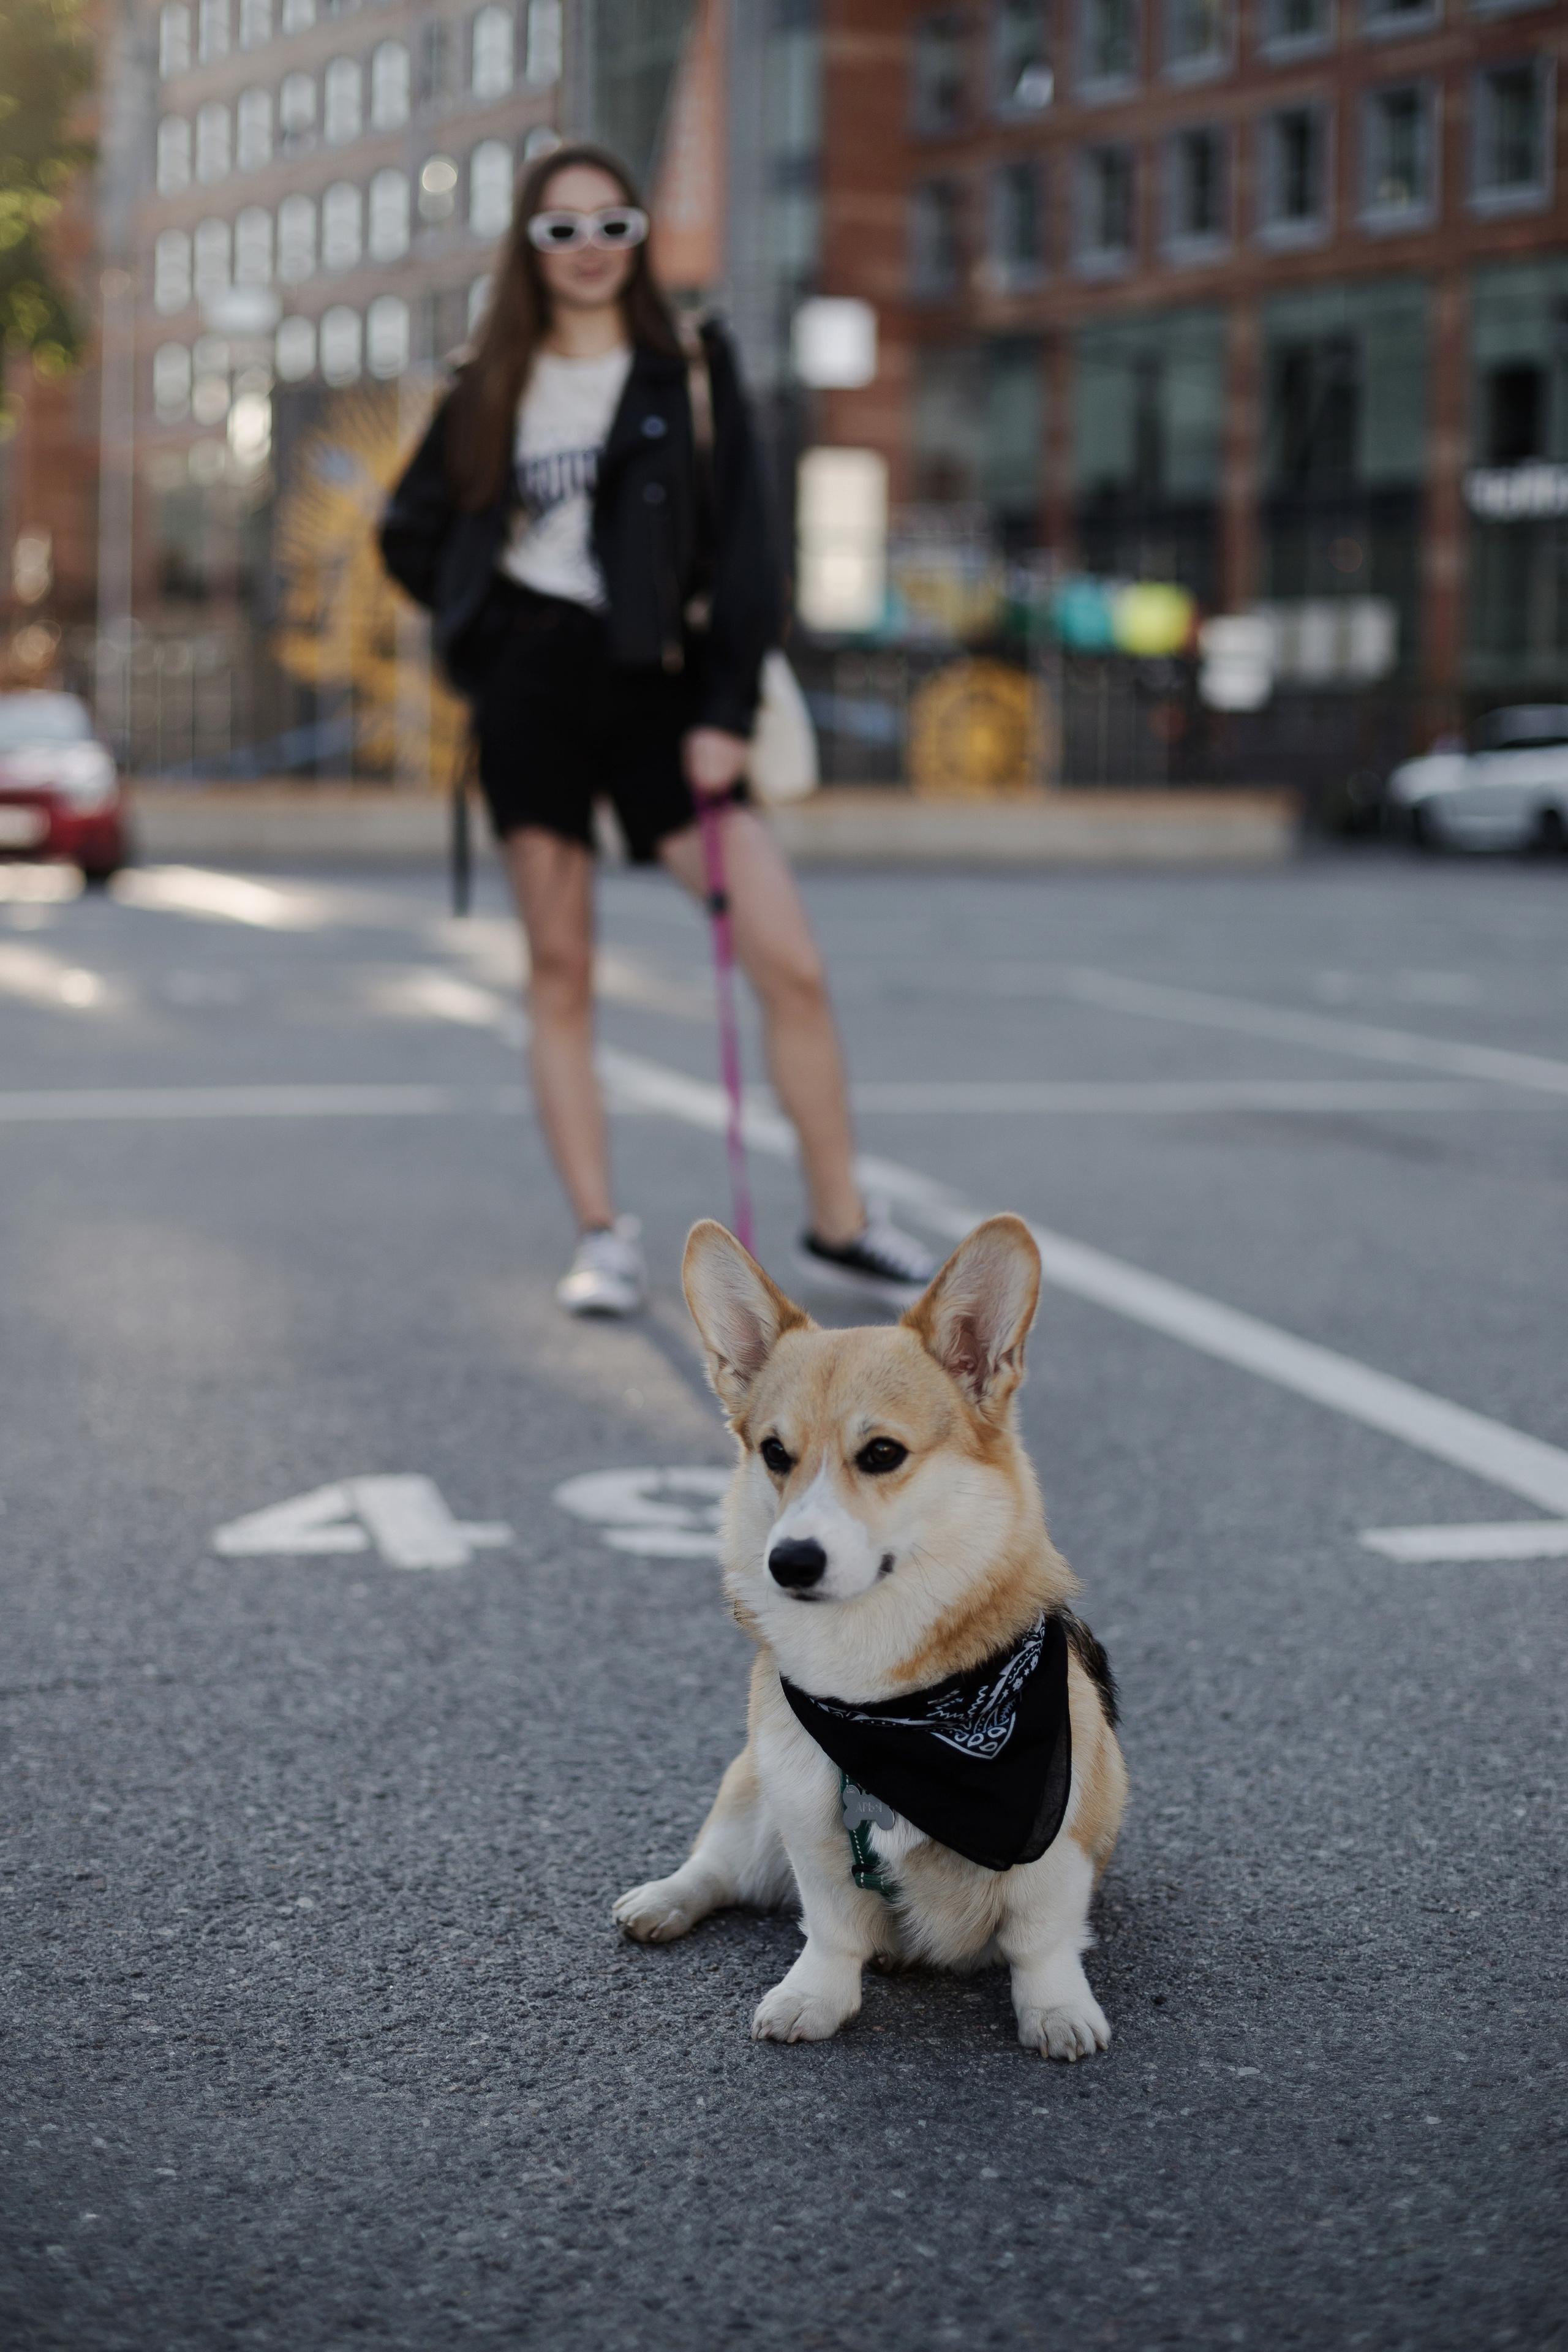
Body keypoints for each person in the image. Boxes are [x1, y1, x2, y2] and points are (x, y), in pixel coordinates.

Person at [381, 141, 935, 1317]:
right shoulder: (489, 382)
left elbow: (747, 553)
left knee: (789, 959)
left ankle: (840, 1219)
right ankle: (601, 1234)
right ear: (529, 249)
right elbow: (407, 531)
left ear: (639, 239)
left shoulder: (689, 367)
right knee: (561, 967)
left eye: (610, 227)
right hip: (531, 689)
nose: (587, 251)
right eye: (560, 230)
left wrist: (724, 710)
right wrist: (480, 629)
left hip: (664, 695)